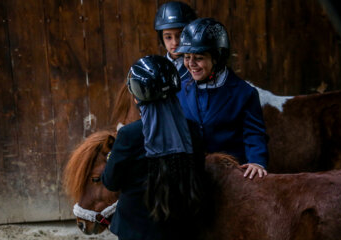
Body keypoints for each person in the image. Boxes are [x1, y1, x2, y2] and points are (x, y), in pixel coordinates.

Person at [101, 55, 206, 240]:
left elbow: (111, 182)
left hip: (136, 231)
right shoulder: (192, 130)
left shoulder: (129, 135)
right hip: (181, 231)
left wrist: (111, 157)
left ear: (136, 96)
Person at [175, 18, 269, 179]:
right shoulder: (179, 89)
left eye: (198, 58)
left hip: (230, 176)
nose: (191, 64)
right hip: (192, 176)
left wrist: (257, 162)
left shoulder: (245, 93)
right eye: (186, 57)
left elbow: (254, 134)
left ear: (217, 58)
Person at [154, 1, 197, 80]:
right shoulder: (157, 67)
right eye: (168, 37)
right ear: (162, 38)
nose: (175, 42)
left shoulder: (198, 66)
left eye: (180, 36)